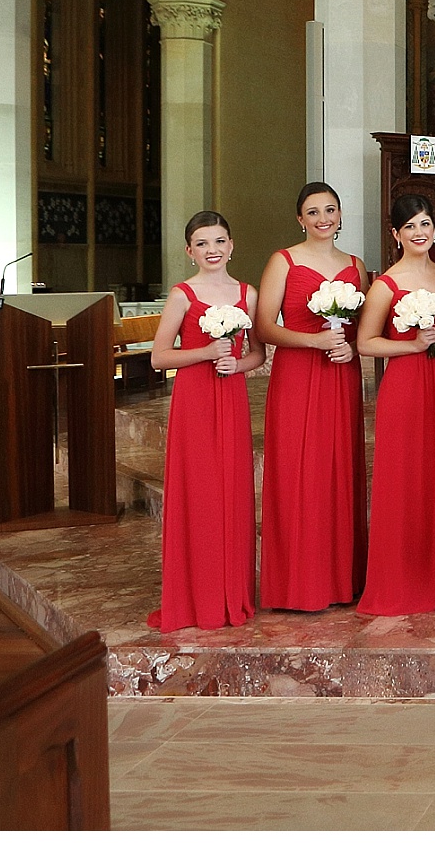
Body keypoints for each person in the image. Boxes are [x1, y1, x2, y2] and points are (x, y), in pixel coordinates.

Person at [145, 210, 263, 631]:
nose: (212, 250)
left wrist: (238, 364)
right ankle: (196, 597)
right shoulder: (182, 295)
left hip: (230, 397)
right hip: (193, 401)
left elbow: (258, 354)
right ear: (189, 251)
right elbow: (159, 357)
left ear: (232, 245)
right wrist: (205, 354)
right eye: (202, 243)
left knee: (232, 492)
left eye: (219, 241)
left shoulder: (247, 294)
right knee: (200, 493)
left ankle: (233, 593)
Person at [254, 181, 368, 610]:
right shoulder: (283, 261)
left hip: (341, 373)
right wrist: (313, 342)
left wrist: (351, 346)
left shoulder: (357, 265)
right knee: (298, 469)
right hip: (298, 375)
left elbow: (364, 328)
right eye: (314, 212)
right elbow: (264, 327)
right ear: (300, 219)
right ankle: (298, 583)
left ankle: (341, 578)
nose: (324, 219)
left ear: (341, 216)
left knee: (338, 466)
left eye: (331, 210)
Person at [356, 192, 435, 617]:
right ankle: (402, 580)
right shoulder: (386, 284)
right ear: (396, 234)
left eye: (425, 224)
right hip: (404, 389)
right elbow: (366, 342)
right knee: (405, 482)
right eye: (410, 226)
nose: (420, 232)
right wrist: (413, 345)